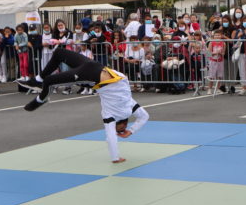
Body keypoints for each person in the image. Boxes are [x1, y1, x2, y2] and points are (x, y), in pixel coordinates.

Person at [18, 48, 149, 163]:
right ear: (124, 124)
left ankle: (40, 89)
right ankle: (40, 88)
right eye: (119, 129)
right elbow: (111, 137)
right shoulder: (112, 113)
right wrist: (118, 154)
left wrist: (130, 132)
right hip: (92, 71)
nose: (116, 130)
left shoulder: (128, 105)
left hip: (94, 71)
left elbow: (143, 117)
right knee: (54, 66)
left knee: (55, 65)